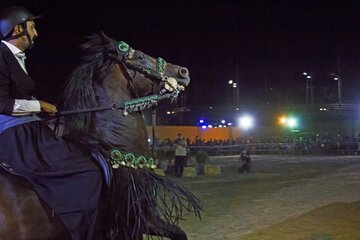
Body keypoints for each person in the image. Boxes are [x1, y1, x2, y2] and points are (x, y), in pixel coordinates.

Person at [0, 6, 102, 240]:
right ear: (18, 29)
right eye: (32, 27)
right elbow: (2, 103)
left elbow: (18, 96)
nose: (35, 33)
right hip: (15, 137)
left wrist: (42, 107)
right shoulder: (1, 55)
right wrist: (40, 106)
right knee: (88, 172)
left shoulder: (14, 58)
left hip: (27, 129)